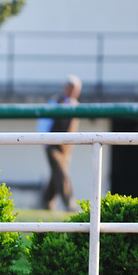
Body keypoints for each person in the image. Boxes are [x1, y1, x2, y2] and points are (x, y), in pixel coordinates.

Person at [37, 75, 82, 211]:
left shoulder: (76, 105)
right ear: (65, 88)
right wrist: (45, 141)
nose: (73, 91)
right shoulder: (55, 103)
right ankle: (69, 203)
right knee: (62, 173)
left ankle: (46, 202)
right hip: (52, 145)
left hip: (67, 147)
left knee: (56, 174)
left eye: (75, 89)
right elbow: (43, 123)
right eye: (71, 88)